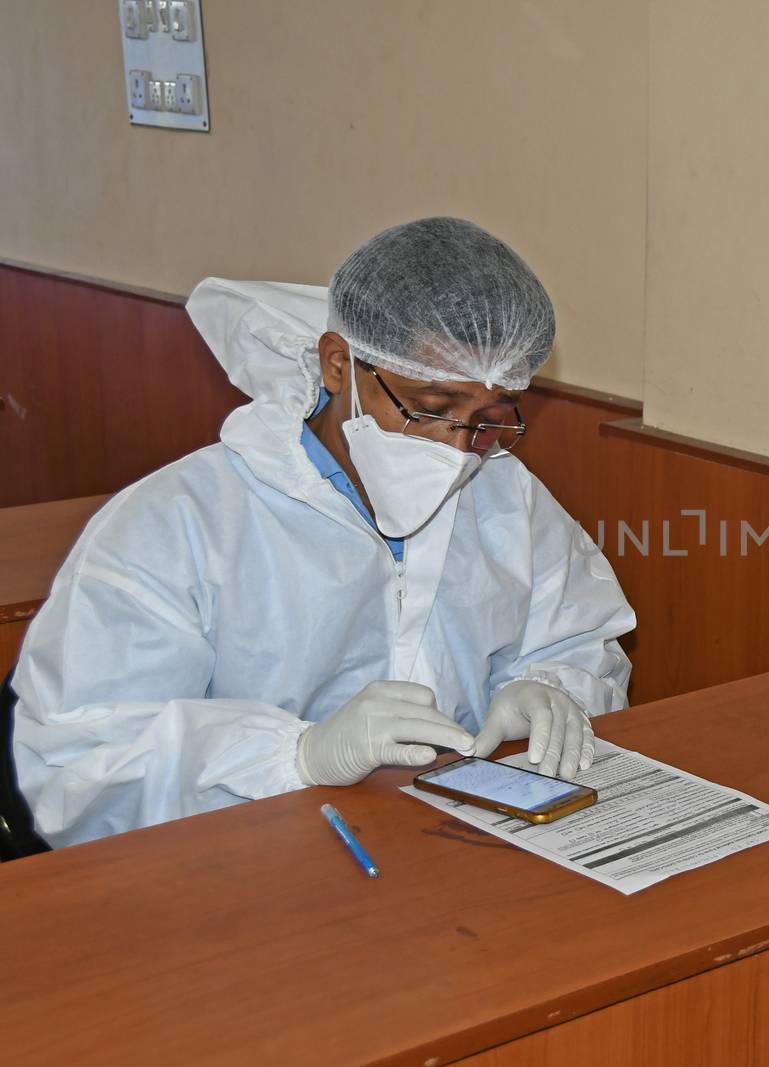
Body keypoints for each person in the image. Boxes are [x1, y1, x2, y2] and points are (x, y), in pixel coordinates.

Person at [14, 217, 635, 848]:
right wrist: (297, 757)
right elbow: (82, 764)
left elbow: (579, 639)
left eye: (490, 418)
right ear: (339, 364)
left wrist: (550, 689)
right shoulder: (179, 521)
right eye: (432, 407)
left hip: (451, 847)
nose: (456, 446)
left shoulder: (506, 493)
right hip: (242, 867)